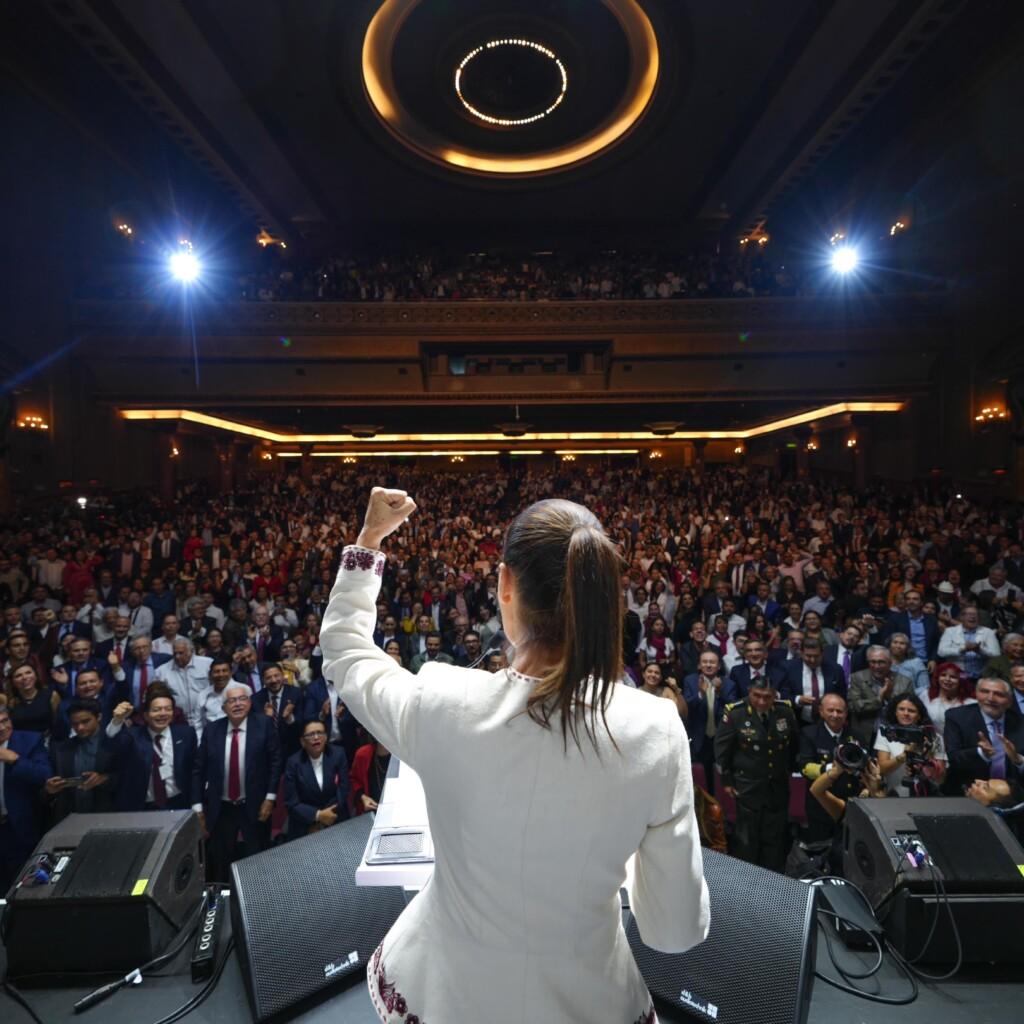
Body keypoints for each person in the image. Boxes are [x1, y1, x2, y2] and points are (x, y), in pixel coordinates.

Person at [321, 488, 709, 1024]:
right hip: (592, 1002)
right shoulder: (655, 729)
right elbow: (675, 930)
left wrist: (369, 541)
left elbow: (345, 651)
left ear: (505, 585)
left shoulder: (440, 701)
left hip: (445, 994)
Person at [191, 682, 281, 885]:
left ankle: (258, 898)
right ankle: (222, 904)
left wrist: (270, 797)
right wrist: (197, 807)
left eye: (242, 699)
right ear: (223, 707)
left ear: (250, 702)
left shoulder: (264, 725)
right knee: (220, 860)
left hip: (255, 803)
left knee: (257, 856)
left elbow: (276, 762)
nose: (238, 704)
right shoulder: (212, 730)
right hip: (221, 807)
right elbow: (198, 770)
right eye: (232, 700)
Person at [714, 677, 798, 871]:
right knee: (747, 840)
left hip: (777, 786)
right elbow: (722, 751)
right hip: (747, 785)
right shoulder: (736, 714)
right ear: (749, 693)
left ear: (774, 696)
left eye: (767, 697)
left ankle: (772, 881)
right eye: (757, 696)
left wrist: (789, 772)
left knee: (775, 838)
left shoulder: (784, 711)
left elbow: (794, 746)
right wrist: (726, 781)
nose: (762, 702)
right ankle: (747, 880)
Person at [107, 684, 197, 811]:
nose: (163, 713)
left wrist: (196, 804)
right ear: (146, 715)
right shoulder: (133, 736)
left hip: (179, 803)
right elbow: (112, 745)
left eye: (168, 709)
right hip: (143, 806)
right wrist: (117, 721)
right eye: (156, 710)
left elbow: (194, 772)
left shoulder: (186, 734)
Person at [46, 697, 121, 824]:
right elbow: (46, 791)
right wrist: (50, 790)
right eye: (74, 724)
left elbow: (128, 778)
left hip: (108, 817)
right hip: (70, 820)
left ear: (99, 717)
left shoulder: (114, 744)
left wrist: (103, 779)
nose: (80, 727)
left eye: (85, 721)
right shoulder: (61, 749)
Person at [0, 705, 51, 891]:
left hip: (17, 828)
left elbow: (44, 774)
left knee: (21, 886)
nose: (1, 728)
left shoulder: (29, 740)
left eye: (5, 721)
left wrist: (15, 760)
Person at [798, 694, 860, 843]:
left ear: (846, 713)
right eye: (830, 710)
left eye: (840, 711)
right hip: (820, 803)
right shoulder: (809, 734)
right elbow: (805, 767)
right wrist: (832, 768)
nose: (835, 715)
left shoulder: (855, 737)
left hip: (848, 804)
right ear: (821, 711)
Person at [944, 676, 1024, 791]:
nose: (990, 698)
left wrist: (1019, 760)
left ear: (1010, 701)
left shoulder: (1020, 722)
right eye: (984, 692)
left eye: (998, 694)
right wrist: (981, 753)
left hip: (1013, 792)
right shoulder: (957, 717)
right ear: (976, 694)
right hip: (969, 790)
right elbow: (953, 757)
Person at [284, 718, 350, 838]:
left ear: (326, 737)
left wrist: (326, 816)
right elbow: (291, 803)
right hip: (306, 825)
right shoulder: (293, 763)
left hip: (336, 817)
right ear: (302, 741)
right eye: (310, 734)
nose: (316, 737)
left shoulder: (338, 754)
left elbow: (343, 790)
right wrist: (317, 816)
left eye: (320, 733)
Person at [875, 693, 948, 796]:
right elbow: (882, 769)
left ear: (919, 715)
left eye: (911, 711)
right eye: (901, 709)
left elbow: (941, 779)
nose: (906, 713)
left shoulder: (934, 737)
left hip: (927, 795)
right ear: (895, 712)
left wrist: (927, 756)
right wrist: (904, 755)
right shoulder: (886, 734)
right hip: (895, 795)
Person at [847, 646, 914, 745]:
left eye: (881, 662)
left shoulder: (905, 682)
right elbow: (854, 706)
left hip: (894, 736)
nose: (877, 666)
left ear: (890, 663)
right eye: (872, 662)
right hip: (864, 734)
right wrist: (879, 699)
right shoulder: (857, 678)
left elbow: (909, 711)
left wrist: (888, 697)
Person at [937, 604, 1000, 683]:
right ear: (961, 617)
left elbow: (996, 654)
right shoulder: (950, 631)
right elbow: (941, 652)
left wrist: (980, 650)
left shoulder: (988, 632)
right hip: (957, 676)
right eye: (969, 614)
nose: (972, 617)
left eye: (975, 614)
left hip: (981, 676)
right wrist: (962, 649)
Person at [923, 662, 976, 730]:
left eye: (953, 677)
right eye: (943, 675)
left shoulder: (970, 703)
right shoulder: (926, 696)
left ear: (960, 681)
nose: (947, 679)